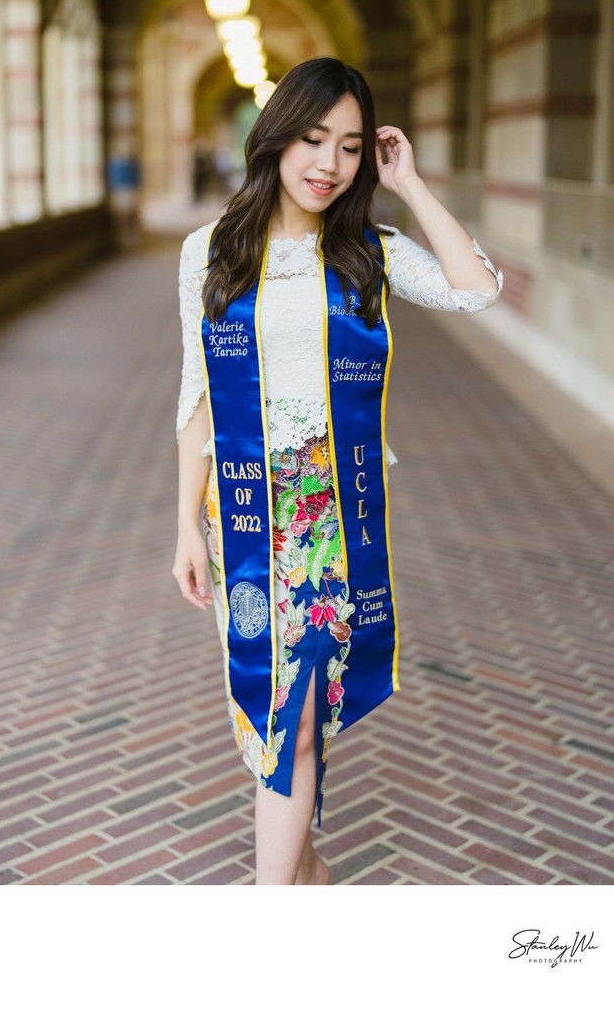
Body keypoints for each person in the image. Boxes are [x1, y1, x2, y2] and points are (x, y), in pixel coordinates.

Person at [173, 57, 501, 886]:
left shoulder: (367, 252)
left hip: (329, 524)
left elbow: (475, 290)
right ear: (277, 136)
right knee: (276, 719)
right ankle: (305, 890)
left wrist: (411, 187)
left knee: (297, 722)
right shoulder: (208, 253)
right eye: (314, 139)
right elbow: (196, 395)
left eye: (351, 147)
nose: (330, 163)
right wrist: (183, 524)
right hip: (245, 517)